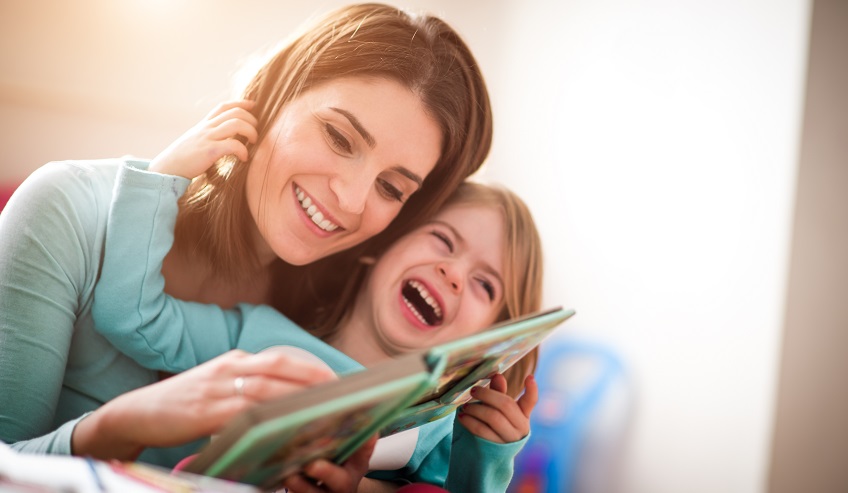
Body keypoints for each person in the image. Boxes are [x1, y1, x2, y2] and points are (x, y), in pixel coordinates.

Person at [0, 2, 492, 470]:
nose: (351, 200)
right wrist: (119, 426)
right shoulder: (66, 208)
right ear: (274, 95)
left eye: (390, 187)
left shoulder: (330, 310)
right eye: (339, 138)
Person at [92, 149, 544, 492]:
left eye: (485, 285)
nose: (455, 274)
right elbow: (128, 315)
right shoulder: (255, 333)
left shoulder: (439, 428)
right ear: (379, 245)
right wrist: (160, 179)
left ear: (488, 335)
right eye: (443, 240)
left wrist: (489, 450)